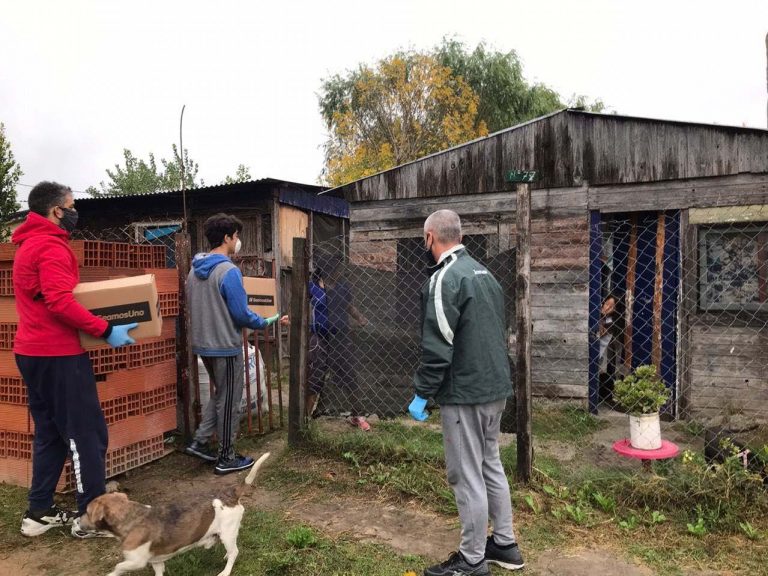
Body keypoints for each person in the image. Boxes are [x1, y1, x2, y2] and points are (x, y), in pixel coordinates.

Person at [13, 181, 138, 539]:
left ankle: (38, 513)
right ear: (57, 211)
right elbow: (60, 301)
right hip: (58, 354)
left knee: (51, 434)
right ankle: (91, 517)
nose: (74, 212)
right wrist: (105, 329)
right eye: (71, 206)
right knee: (86, 434)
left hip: (33, 352)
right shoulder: (50, 247)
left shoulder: (28, 245)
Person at [408, 209, 524, 575]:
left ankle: (472, 559)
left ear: (430, 238)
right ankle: (504, 544)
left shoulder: (445, 278)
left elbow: (439, 344)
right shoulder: (485, 273)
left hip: (465, 394)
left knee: (466, 474)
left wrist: (423, 393)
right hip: (495, 388)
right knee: (490, 463)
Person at [184, 213, 289, 474]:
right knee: (231, 399)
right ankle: (226, 457)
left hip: (203, 345)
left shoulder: (194, 271)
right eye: (237, 236)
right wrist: (265, 321)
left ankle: (200, 440)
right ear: (228, 238)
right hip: (225, 345)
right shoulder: (228, 271)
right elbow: (241, 314)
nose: (238, 240)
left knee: (221, 393)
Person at [308, 255, 371, 430]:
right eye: (337, 269)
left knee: (349, 376)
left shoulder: (343, 286)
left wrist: (361, 319)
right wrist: (291, 318)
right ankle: (305, 419)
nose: (340, 272)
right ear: (328, 270)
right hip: (319, 338)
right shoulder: (312, 286)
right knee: (315, 377)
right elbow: (299, 305)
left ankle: (357, 416)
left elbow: (349, 306)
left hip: (341, 338)